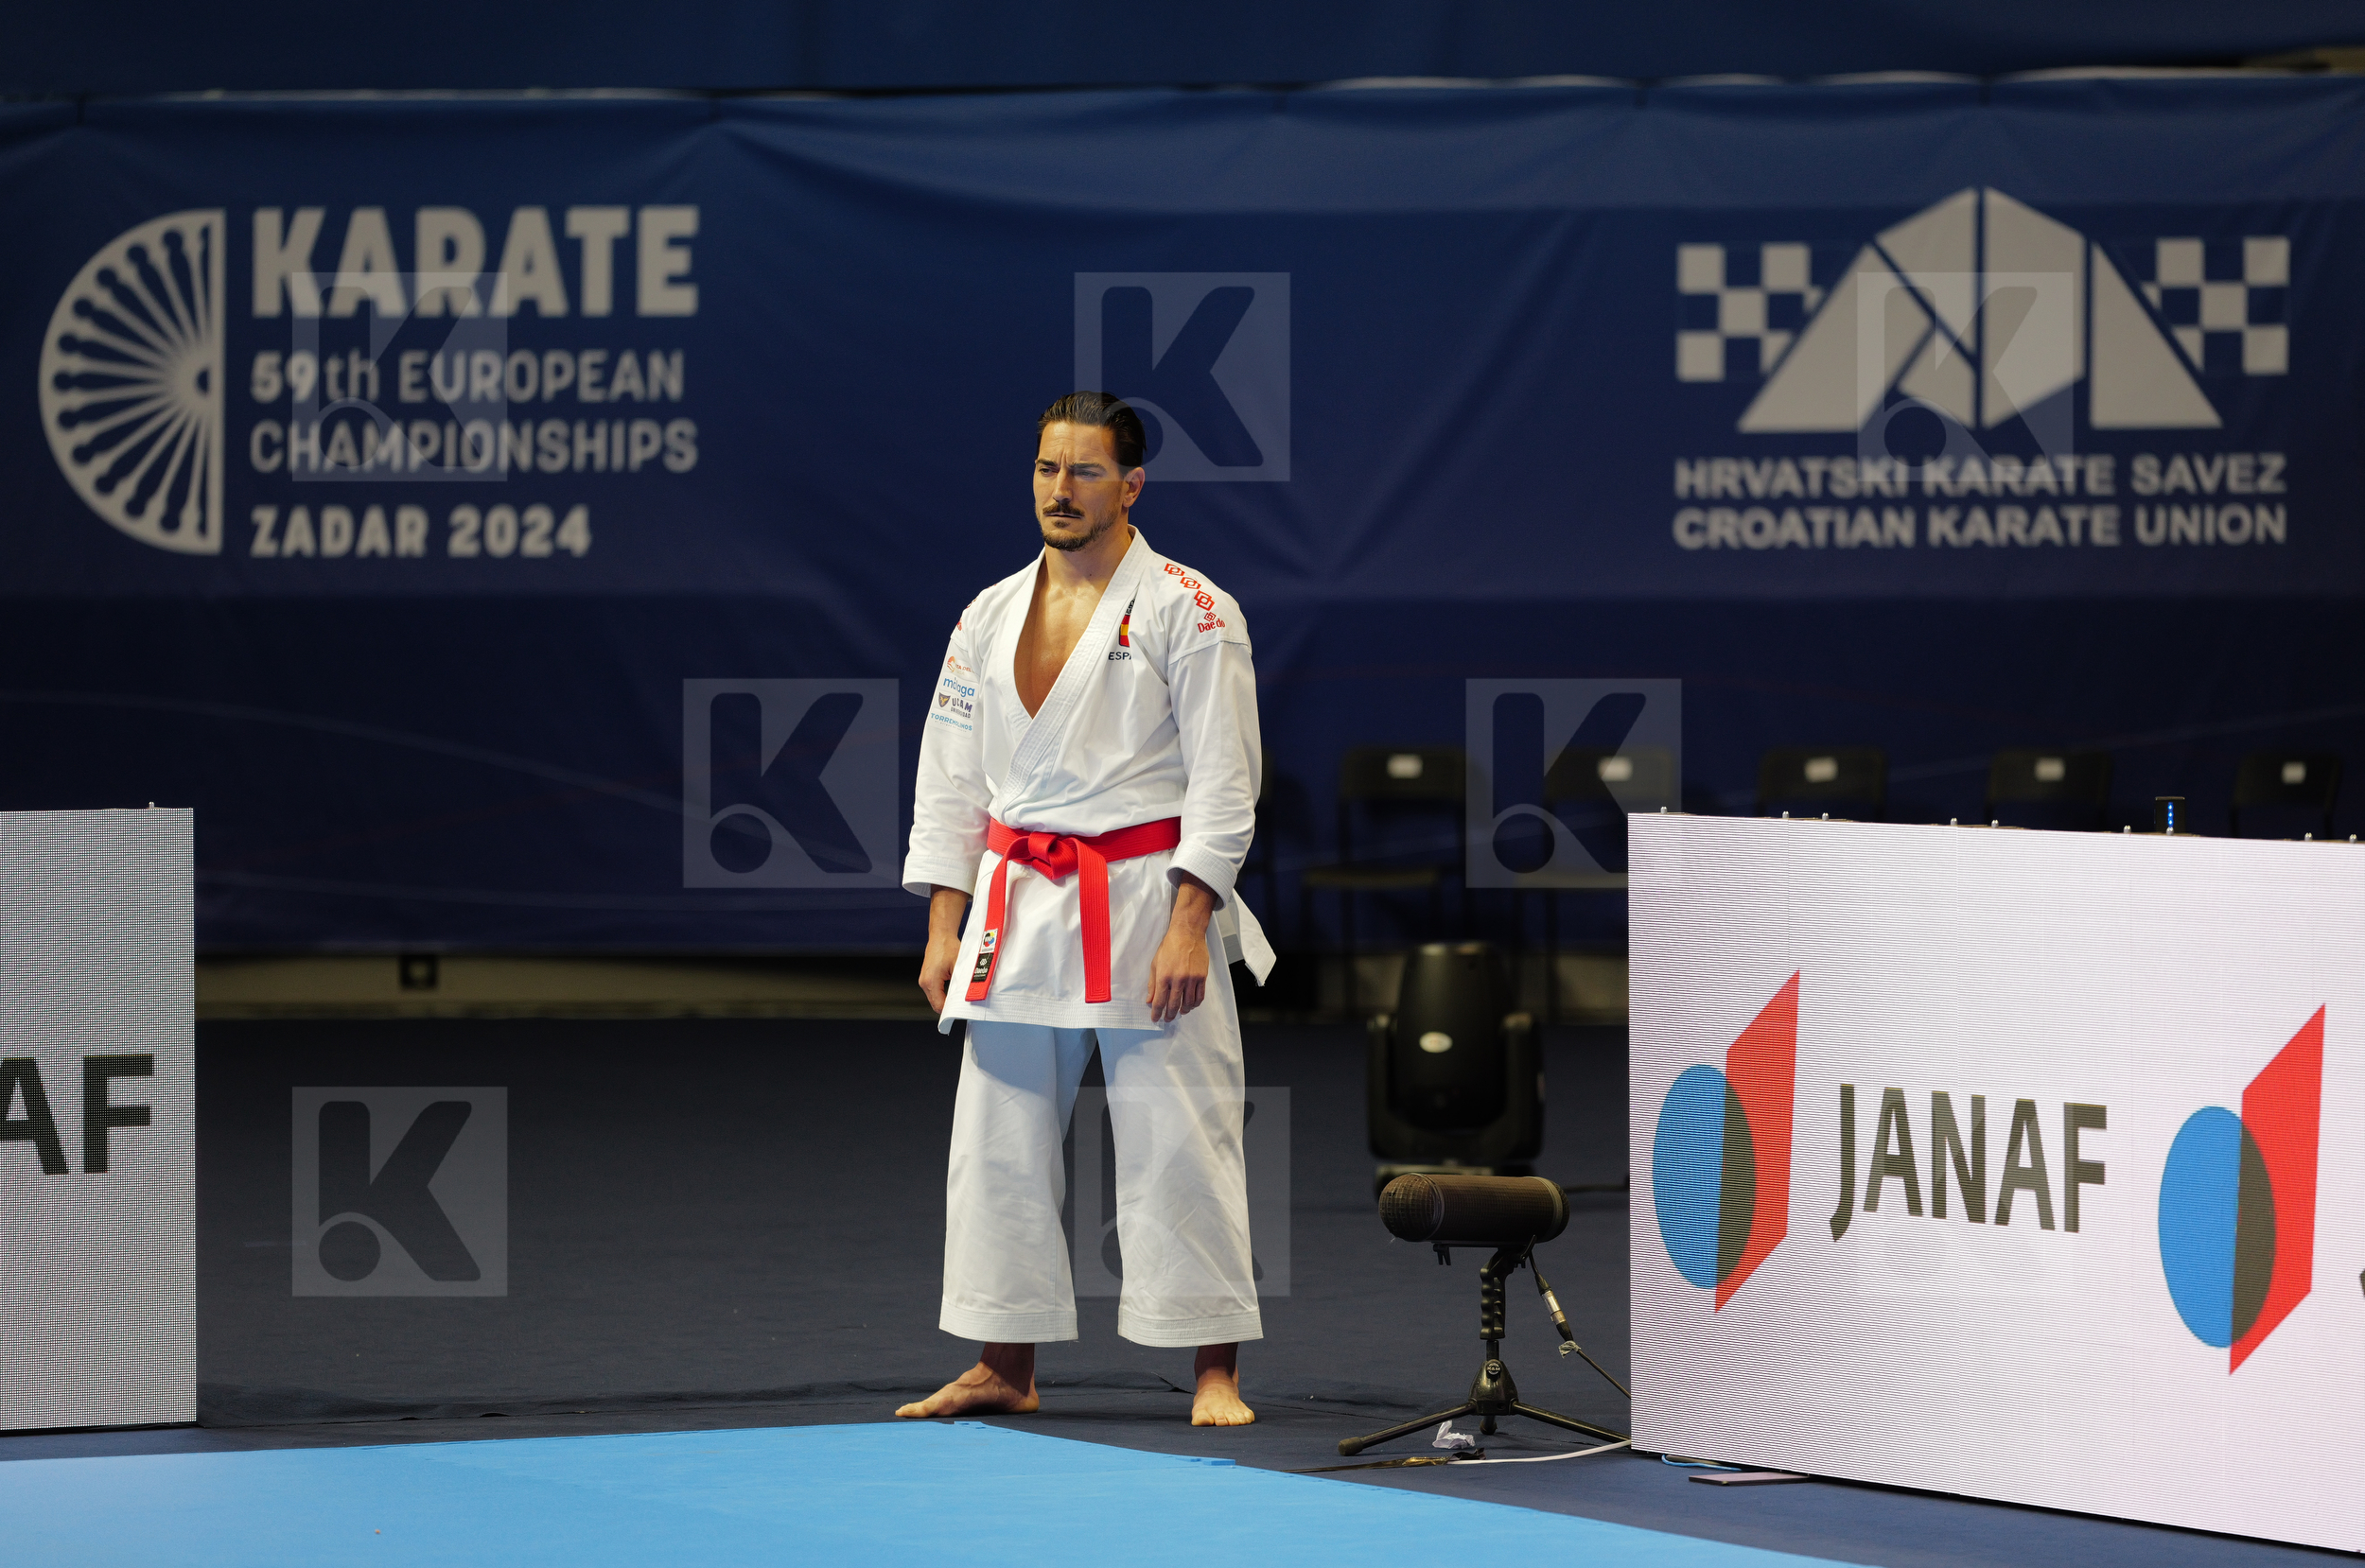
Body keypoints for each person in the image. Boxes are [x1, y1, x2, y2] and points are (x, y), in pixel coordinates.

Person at [894, 391, 1274, 1428]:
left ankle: (1212, 1369)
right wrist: (943, 919)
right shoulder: (985, 612)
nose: (1061, 491)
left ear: (1132, 485)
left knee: (1179, 1133)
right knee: (997, 1133)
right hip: (1018, 900)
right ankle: (1001, 1360)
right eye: (1047, 470)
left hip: (1147, 895)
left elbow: (1225, 783)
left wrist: (1192, 920)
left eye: (1086, 471)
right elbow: (949, 780)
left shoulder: (1192, 609)